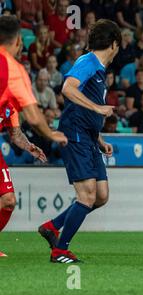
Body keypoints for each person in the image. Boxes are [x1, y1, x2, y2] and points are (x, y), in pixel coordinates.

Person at [38, 19, 121, 264]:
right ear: (114, 44)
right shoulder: (88, 62)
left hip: (88, 137)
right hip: (75, 135)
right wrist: (98, 107)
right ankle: (60, 250)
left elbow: (84, 109)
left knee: (101, 195)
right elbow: (68, 88)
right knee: (86, 196)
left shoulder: (98, 69)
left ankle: (52, 227)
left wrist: (100, 139)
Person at [0, 15, 67, 257]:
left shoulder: (9, 101)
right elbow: (36, 117)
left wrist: (30, 147)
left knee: (7, 200)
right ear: (19, 41)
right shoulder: (13, 70)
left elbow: (15, 133)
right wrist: (51, 135)